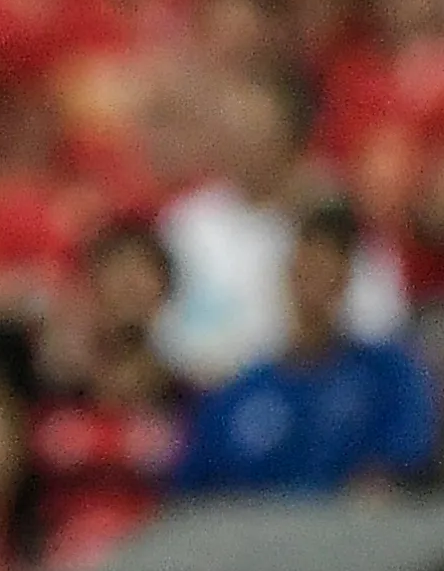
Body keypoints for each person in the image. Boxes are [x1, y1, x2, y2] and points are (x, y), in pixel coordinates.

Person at [174, 204, 438, 494]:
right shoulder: (239, 394)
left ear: (345, 279)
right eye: (305, 270)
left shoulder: (390, 374)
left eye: (326, 270)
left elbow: (406, 458)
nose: (313, 285)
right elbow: (195, 488)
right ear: (286, 277)